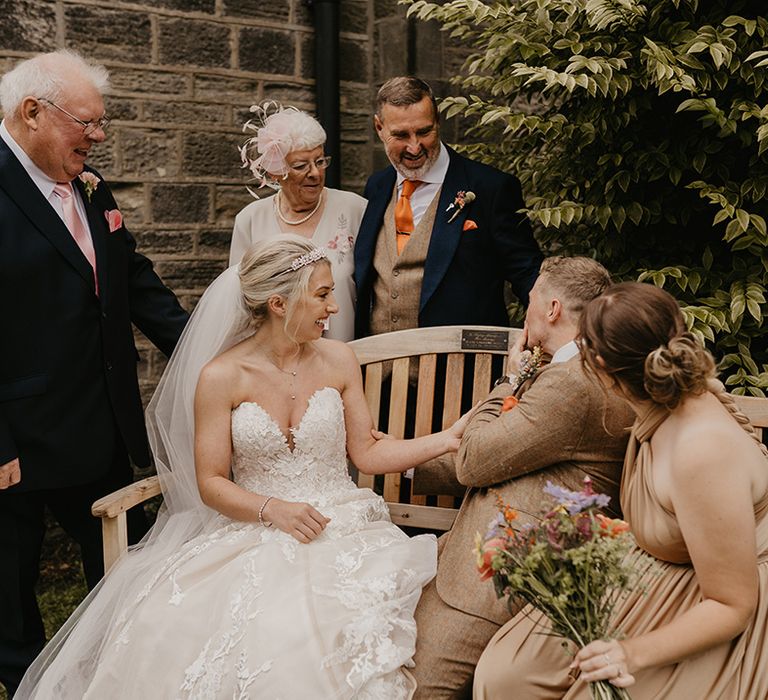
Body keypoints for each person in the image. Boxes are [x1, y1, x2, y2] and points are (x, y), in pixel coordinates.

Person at [18, 235, 471, 699]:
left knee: (335, 620)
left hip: (345, 525)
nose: (334, 307)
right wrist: (273, 509)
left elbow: (369, 454)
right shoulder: (221, 377)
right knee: (192, 624)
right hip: (254, 524)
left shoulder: (339, 358)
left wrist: (447, 438)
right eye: (321, 294)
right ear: (279, 303)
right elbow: (211, 481)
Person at [473, 282, 768, 699]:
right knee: (508, 675)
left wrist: (630, 653)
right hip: (660, 564)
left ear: (601, 368)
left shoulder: (702, 452)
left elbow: (735, 605)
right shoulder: (659, 396)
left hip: (719, 604)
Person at [0, 50, 188, 696]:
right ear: (32, 113)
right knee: (12, 598)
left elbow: (131, 279)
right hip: (18, 442)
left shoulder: (91, 185)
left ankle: (114, 678)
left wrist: (200, 342)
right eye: (87, 122)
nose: (99, 136)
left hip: (102, 423)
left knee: (120, 575)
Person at [408, 257, 636, 699]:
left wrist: (511, 379)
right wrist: (406, 460)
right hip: (475, 551)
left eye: (528, 299)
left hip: (495, 578)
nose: (523, 310)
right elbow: (524, 458)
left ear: (552, 309)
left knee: (413, 690)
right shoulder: (574, 370)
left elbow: (476, 458)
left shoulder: (573, 382)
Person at [354, 76, 542, 339]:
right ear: (379, 128)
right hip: (377, 369)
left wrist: (551, 337)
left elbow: (527, 273)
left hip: (459, 368)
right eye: (400, 135)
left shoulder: (491, 188)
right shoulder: (376, 186)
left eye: (424, 131)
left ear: (438, 121)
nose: (414, 146)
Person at [229, 102, 366, 341]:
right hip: (275, 364)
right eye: (301, 165)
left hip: (345, 356)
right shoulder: (250, 220)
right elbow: (241, 307)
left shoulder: (356, 210)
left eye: (320, 161)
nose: (315, 172)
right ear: (275, 172)